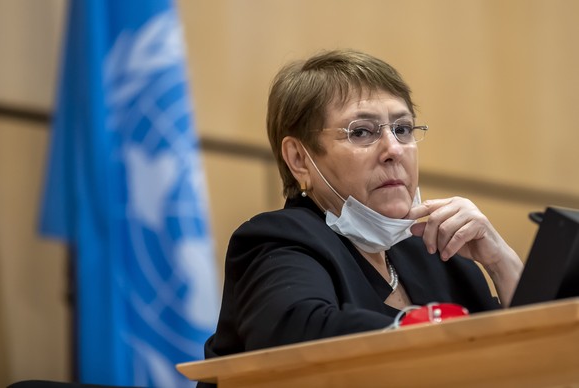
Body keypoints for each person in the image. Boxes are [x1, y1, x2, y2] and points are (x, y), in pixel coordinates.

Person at [201, 49, 523, 365]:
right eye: (361, 132)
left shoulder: (437, 254)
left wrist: (500, 261)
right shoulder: (279, 241)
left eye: (402, 129)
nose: (393, 150)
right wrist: (429, 329)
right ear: (300, 159)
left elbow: (536, 352)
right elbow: (295, 333)